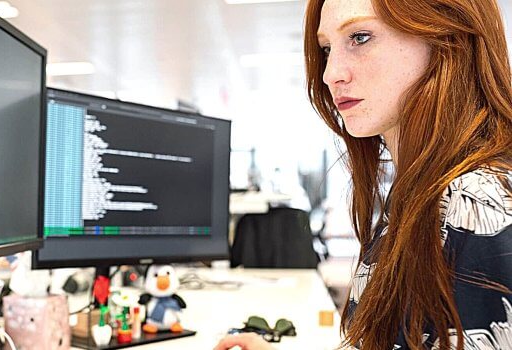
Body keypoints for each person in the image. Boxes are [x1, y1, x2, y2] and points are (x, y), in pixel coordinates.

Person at [215, 0, 512, 348]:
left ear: (447, 37)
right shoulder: (420, 191)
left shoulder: (476, 199)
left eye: (360, 37)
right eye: (327, 48)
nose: (329, 74)